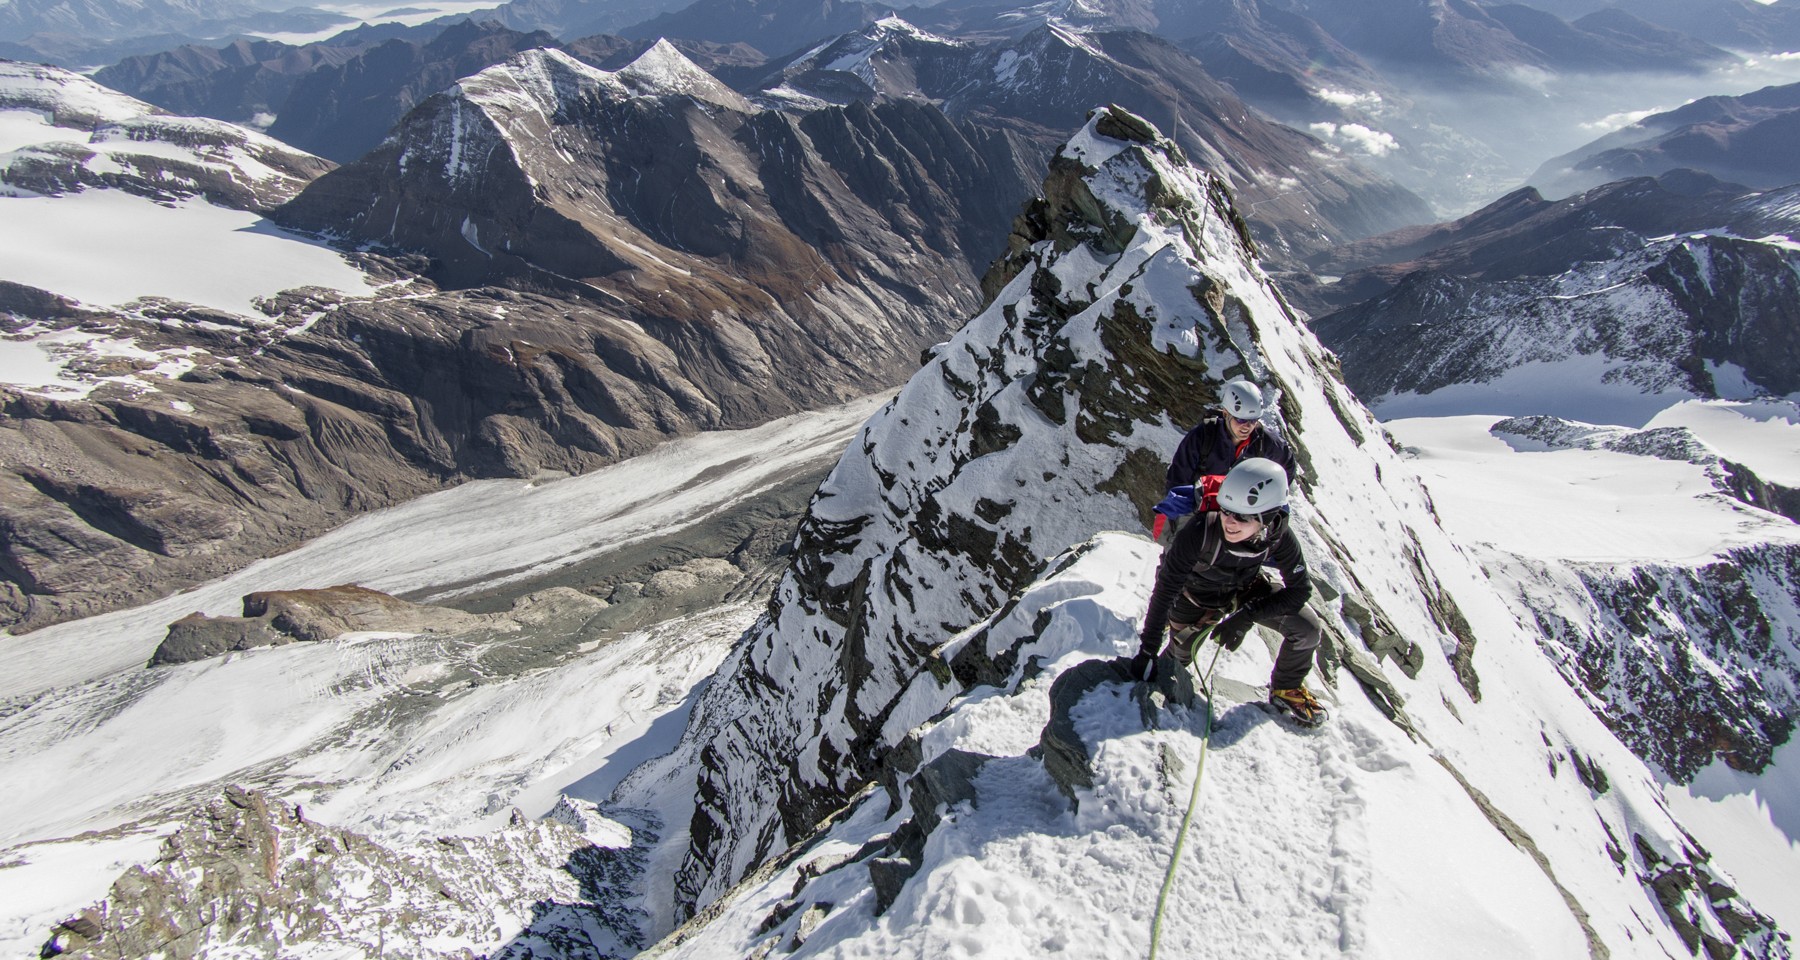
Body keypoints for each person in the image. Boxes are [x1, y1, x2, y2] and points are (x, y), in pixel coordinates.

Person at [1131, 457, 1327, 726]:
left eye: (1243, 517)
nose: (1230, 522)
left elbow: (1300, 590)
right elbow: (1165, 589)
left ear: (1268, 517)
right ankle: (1164, 671)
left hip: (1244, 587)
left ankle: (1286, 688)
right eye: (1226, 511)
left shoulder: (1279, 537)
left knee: (1307, 629)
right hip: (1195, 594)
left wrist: (1246, 616)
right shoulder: (1200, 530)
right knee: (1177, 662)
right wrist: (1148, 651)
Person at [1151, 378, 1298, 538]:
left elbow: (1287, 466)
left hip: (1241, 514)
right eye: (1241, 420)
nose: (1247, 427)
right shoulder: (1203, 436)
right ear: (1226, 413)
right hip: (1202, 511)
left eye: (1253, 421)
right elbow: (1178, 480)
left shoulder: (1265, 442)